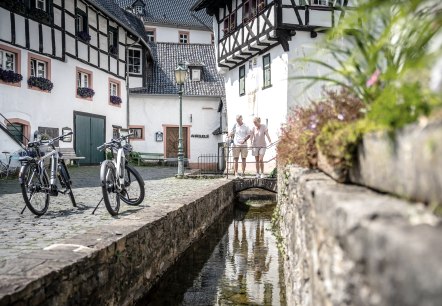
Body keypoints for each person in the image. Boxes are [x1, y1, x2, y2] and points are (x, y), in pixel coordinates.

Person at [229, 115, 251, 179]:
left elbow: (249, 135)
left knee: (244, 159)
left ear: (242, 119)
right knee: (236, 159)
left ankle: (243, 173)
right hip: (236, 145)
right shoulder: (235, 125)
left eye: (239, 120)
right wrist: (229, 135)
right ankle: (236, 173)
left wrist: (244, 140)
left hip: (244, 145)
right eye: (237, 120)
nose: (238, 121)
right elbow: (231, 133)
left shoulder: (246, 126)